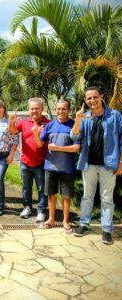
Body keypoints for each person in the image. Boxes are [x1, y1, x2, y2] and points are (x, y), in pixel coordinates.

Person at [71, 86, 122, 245]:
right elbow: (74, 136)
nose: (92, 101)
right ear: (85, 101)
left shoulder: (115, 116)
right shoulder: (84, 117)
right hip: (89, 164)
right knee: (87, 196)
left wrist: (121, 162)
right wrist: (78, 120)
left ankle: (106, 229)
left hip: (109, 164)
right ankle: (84, 224)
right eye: (88, 98)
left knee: (107, 198)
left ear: (101, 96)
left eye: (95, 97)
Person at [32, 99, 80, 234]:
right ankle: (51, 219)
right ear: (55, 110)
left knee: (66, 196)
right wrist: (36, 134)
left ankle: (65, 221)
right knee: (51, 195)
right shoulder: (50, 125)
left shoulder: (74, 126)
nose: (60, 111)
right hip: (50, 167)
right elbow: (40, 144)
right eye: (58, 109)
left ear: (69, 110)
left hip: (67, 168)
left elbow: (77, 147)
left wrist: (58, 148)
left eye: (64, 109)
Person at [9, 97, 50, 221]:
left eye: (37, 108)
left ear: (42, 109)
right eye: (32, 108)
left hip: (41, 162)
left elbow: (41, 144)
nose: (34, 111)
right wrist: (11, 122)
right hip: (25, 162)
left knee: (42, 188)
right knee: (26, 187)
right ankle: (27, 207)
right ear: (28, 109)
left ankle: (41, 210)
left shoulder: (47, 123)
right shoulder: (24, 122)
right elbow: (13, 131)